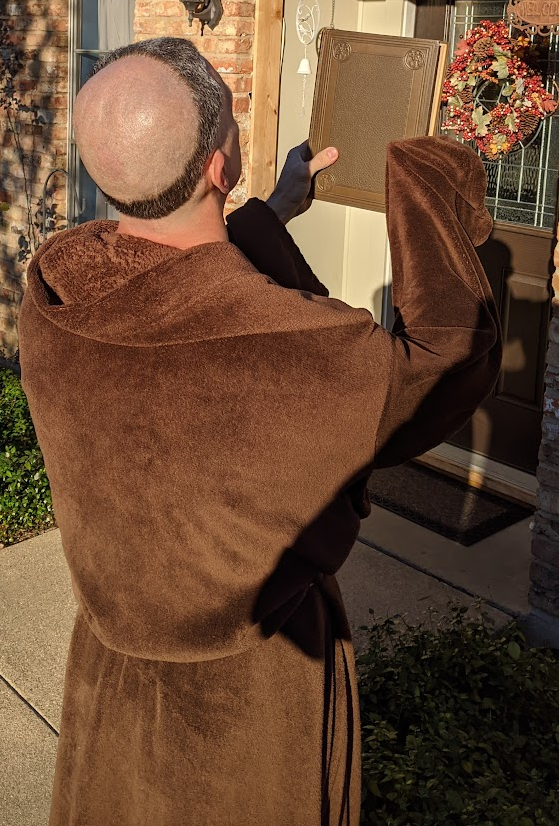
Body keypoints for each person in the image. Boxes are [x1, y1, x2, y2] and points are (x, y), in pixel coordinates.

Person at [18, 36, 501, 826]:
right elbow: (447, 359)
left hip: (109, 675)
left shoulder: (54, 299)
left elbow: (176, 283)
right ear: (220, 165)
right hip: (249, 699)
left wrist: (272, 214)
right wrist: (425, 178)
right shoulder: (299, 354)